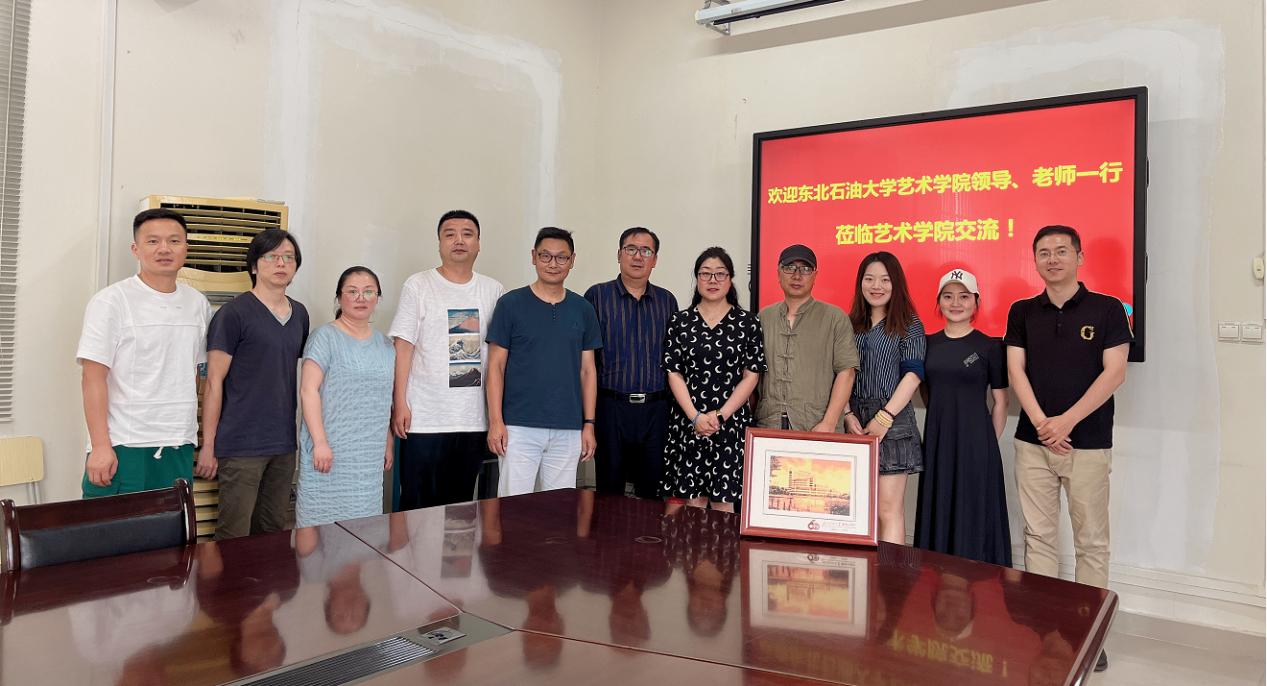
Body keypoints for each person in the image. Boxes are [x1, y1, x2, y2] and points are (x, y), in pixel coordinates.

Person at [1004, 225, 1131, 673]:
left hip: (1088, 443)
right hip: (1032, 443)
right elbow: (1016, 371)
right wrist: (1043, 424)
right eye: (1044, 252)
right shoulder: (1022, 311)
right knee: (1038, 538)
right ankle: (1045, 628)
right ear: (1035, 260)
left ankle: (1089, 634)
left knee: (1091, 542)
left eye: (1061, 251)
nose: (1052, 259)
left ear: (1079, 256)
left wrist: (1066, 422)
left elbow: (1115, 373)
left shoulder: (1108, 309)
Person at [77, 208, 212, 497]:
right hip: (124, 443)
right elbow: (92, 378)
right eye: (153, 241)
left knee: (173, 524)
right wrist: (100, 445)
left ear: (186, 248)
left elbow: (195, 373)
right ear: (135, 249)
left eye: (174, 241)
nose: (164, 249)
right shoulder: (111, 301)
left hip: (178, 440)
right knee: (112, 525)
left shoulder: (198, 303)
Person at [197, 228, 310, 540]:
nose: (281, 263)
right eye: (272, 256)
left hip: (283, 443)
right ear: (254, 266)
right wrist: (209, 445)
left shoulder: (300, 314)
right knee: (234, 534)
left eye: (289, 257)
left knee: (273, 531)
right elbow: (213, 382)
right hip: (240, 444)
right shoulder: (233, 314)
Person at [389, 210, 504, 509]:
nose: (459, 241)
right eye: (450, 234)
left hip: (471, 419)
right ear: (439, 243)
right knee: (416, 507)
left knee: (459, 510)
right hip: (424, 418)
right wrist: (399, 402)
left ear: (479, 243)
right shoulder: (418, 285)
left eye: (467, 234)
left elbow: (499, 356)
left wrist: (495, 417)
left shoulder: (493, 290)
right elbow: (403, 346)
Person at [485, 227, 602, 496]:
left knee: (560, 510)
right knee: (514, 508)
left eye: (561, 257)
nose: (553, 263)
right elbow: (496, 367)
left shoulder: (583, 309)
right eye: (545, 256)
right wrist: (496, 421)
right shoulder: (510, 304)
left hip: (568, 427)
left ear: (572, 260)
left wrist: (589, 424)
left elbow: (587, 371)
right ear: (533, 257)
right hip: (518, 426)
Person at [913, 268, 1011, 565]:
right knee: (940, 503)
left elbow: (1001, 401)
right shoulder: (928, 343)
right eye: (948, 296)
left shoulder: (990, 346)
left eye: (964, 296)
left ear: (976, 302)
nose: (956, 303)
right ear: (938, 302)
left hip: (977, 443)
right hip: (939, 441)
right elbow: (926, 391)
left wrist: (986, 444)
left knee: (974, 509)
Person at [660, 247, 766, 512]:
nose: (713, 280)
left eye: (720, 274)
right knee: (692, 503)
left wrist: (720, 416)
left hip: (730, 425)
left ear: (730, 279)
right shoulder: (680, 321)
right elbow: (673, 372)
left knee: (724, 504)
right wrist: (695, 417)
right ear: (697, 278)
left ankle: (723, 546)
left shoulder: (748, 322)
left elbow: (751, 375)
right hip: (689, 422)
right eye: (705, 274)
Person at [583, 227, 679, 499]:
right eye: (631, 249)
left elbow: (673, 358)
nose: (638, 257)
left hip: (656, 410)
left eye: (646, 251)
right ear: (619, 254)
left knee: (652, 493)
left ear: (655, 259)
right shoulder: (596, 297)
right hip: (610, 408)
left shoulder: (666, 301)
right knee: (609, 493)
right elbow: (586, 361)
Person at [296, 267, 395, 528]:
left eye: (368, 292)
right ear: (339, 297)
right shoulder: (324, 337)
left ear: (377, 298)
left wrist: (387, 440)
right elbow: (308, 391)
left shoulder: (386, 345)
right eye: (352, 291)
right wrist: (320, 442)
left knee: (363, 529)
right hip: (329, 450)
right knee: (317, 530)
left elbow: (383, 398)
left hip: (367, 454)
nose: (360, 298)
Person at [844, 251, 925, 544]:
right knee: (855, 511)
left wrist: (885, 417)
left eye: (885, 280)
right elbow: (839, 373)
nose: (876, 286)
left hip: (893, 419)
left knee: (888, 510)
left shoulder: (909, 323)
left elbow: (913, 375)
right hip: (852, 419)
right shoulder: (848, 324)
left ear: (896, 283)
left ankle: (891, 574)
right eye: (869, 279)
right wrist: (846, 413)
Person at [755, 244, 858, 433]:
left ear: (815, 275)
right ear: (778, 273)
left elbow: (847, 372)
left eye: (805, 269)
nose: (797, 275)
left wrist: (829, 422)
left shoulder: (834, 317)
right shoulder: (764, 317)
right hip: (769, 426)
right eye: (789, 268)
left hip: (817, 426)